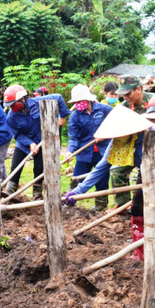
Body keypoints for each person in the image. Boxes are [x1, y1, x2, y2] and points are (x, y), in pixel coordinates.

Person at [65, 105, 155, 261]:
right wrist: (78, 191)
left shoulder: (154, 132)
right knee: (137, 209)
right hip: (146, 170)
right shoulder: (119, 142)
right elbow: (102, 167)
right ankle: (140, 253)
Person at [3, 83, 70, 197]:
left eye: (14, 104)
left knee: (39, 168)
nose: (12, 107)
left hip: (41, 141)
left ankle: (37, 193)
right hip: (24, 143)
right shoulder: (11, 117)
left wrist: (62, 117)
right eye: (10, 105)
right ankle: (10, 190)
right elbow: (16, 134)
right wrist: (30, 143)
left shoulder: (37, 102)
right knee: (16, 166)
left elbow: (58, 97)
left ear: (22, 99)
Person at [108, 74, 155, 209]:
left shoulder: (154, 101)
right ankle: (123, 207)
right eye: (122, 94)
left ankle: (153, 209)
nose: (125, 97)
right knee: (116, 171)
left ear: (139, 89)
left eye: (128, 93)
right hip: (134, 149)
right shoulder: (124, 108)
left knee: (147, 177)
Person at [64, 84, 113, 212]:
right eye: (76, 102)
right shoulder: (75, 116)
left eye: (80, 101)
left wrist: (104, 134)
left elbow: (116, 124)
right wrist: (70, 151)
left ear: (88, 99)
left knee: (102, 180)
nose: (78, 104)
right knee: (78, 179)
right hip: (84, 153)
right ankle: (69, 205)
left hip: (102, 152)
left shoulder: (105, 110)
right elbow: (74, 137)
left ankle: (100, 208)